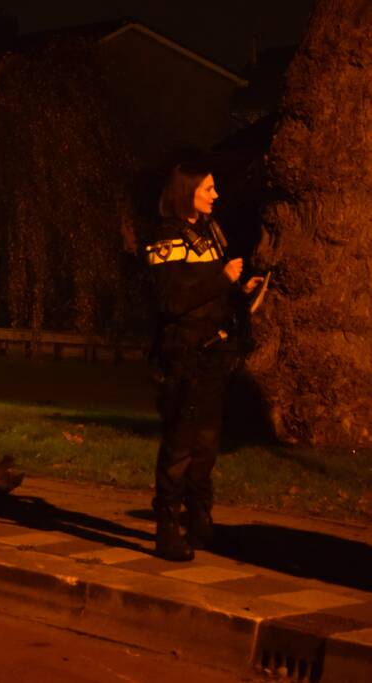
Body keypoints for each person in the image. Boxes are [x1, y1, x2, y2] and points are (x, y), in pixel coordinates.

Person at [145, 163, 263, 561]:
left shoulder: (210, 232)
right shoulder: (166, 238)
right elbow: (172, 300)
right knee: (180, 443)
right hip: (184, 355)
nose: (216, 195)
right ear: (187, 190)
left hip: (214, 354)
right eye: (208, 188)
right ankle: (166, 528)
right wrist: (222, 279)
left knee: (207, 443)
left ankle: (200, 521)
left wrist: (239, 291)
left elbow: (209, 292)